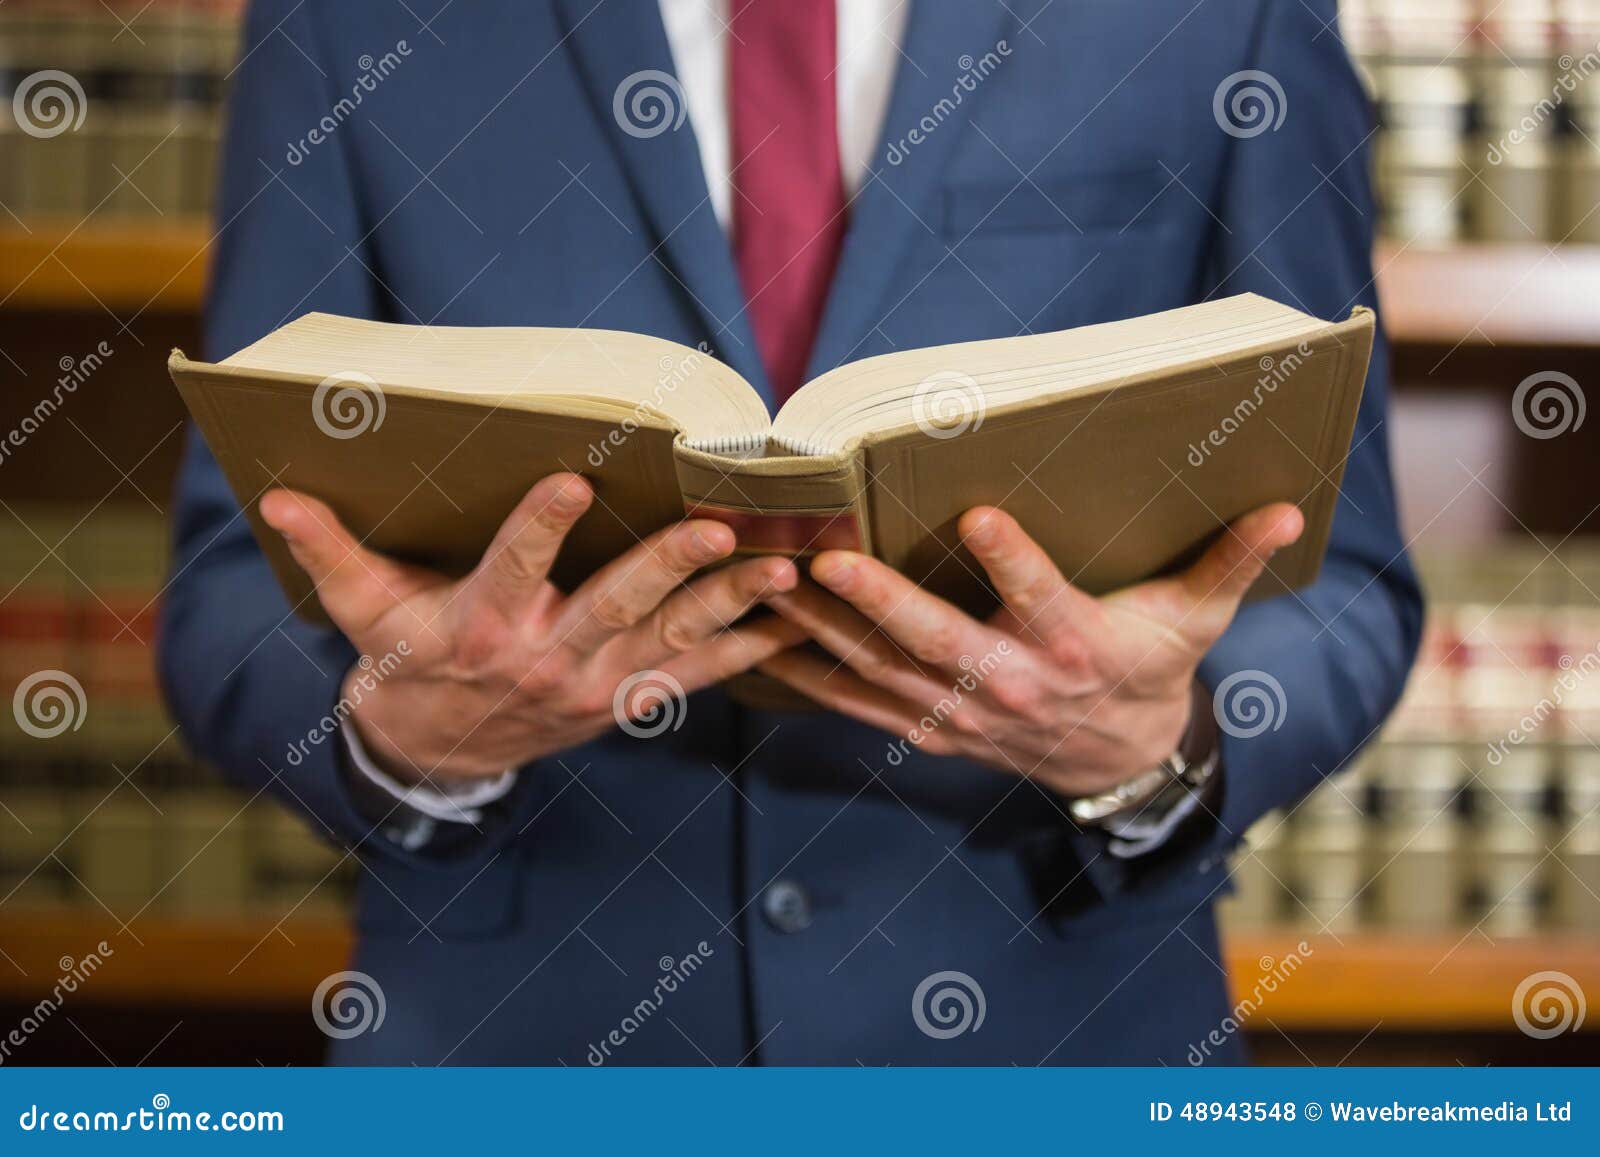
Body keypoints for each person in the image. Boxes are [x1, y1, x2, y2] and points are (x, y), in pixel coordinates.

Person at [159, 0, 1423, 1064]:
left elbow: (1346, 578)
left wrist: (1155, 749)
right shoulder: (347, 20)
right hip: (516, 1034)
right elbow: (227, 588)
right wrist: (405, 731)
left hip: (1054, 1024)